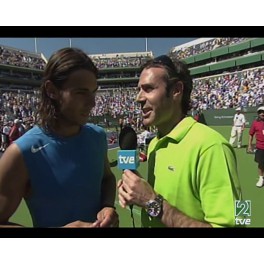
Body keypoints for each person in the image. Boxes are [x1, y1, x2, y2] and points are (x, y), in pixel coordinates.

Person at [118, 55, 242, 227]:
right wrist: (137, 191)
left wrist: (151, 202)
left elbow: (241, 224)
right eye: (139, 89)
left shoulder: (213, 146)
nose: (139, 98)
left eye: (148, 89)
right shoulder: (155, 144)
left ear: (176, 90)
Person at [0, 47, 118, 228]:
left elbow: (107, 179)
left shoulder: (98, 136)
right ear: (52, 90)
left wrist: (107, 206)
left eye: (93, 92)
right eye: (81, 92)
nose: (92, 102)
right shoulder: (21, 152)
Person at [248, 106, 264, 188]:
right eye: (260, 112)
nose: (262, 113)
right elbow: (251, 134)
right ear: (258, 114)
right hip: (260, 148)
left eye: (263, 112)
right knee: (261, 164)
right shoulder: (255, 123)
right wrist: (249, 145)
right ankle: (261, 178)